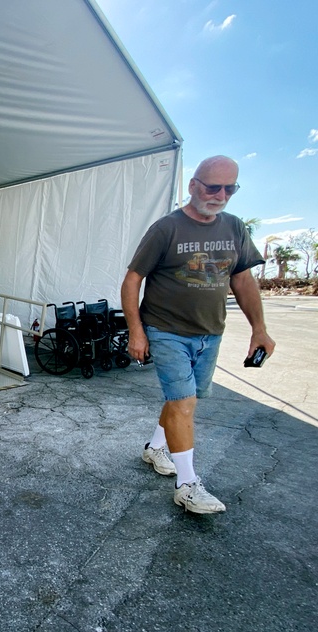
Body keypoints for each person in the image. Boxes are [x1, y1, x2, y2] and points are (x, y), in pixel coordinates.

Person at [120, 155, 275, 514]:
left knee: (183, 399)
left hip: (210, 333)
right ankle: (187, 485)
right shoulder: (166, 229)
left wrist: (260, 330)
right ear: (193, 185)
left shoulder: (234, 228)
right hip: (166, 329)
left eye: (229, 188)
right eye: (212, 186)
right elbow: (132, 280)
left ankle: (156, 447)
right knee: (184, 403)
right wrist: (136, 332)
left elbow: (242, 279)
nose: (220, 194)